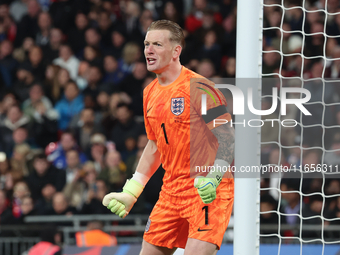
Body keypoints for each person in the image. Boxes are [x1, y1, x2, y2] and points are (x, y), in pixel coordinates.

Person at [102, 20, 235, 255]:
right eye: (146, 44)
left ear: (176, 51)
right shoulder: (149, 93)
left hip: (206, 190)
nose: (149, 50)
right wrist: (132, 191)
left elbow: (227, 138)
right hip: (171, 192)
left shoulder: (200, 87)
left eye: (157, 44)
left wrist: (214, 178)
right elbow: (154, 145)